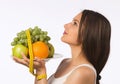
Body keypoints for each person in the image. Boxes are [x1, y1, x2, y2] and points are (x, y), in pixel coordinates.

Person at [13, 9, 111, 84]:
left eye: (75, 23)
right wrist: (39, 71)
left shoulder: (83, 72)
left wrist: (41, 71)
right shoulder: (65, 62)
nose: (66, 25)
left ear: (88, 35)